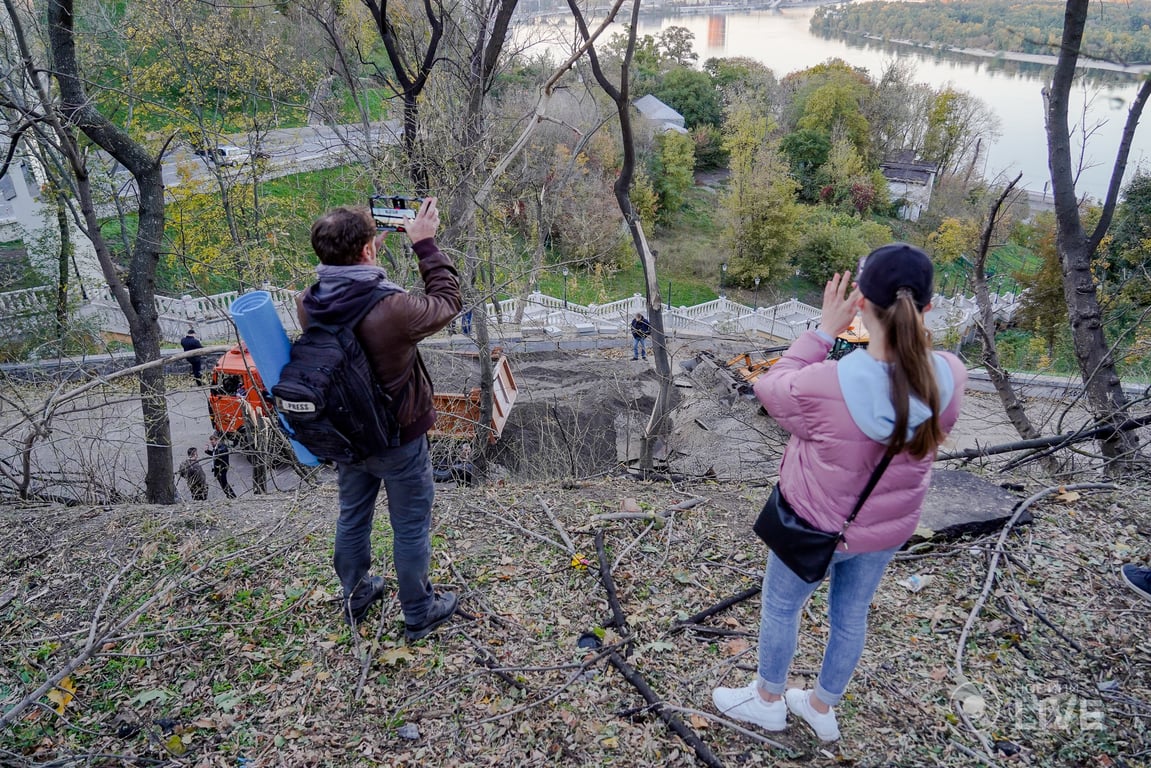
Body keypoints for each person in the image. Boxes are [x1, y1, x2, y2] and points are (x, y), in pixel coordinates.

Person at [711, 244, 966, 742]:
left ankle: (767, 700)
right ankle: (822, 706)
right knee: (850, 616)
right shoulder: (951, 377)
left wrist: (823, 331)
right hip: (885, 531)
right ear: (928, 308)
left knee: (782, 608)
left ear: (860, 307)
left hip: (813, 525)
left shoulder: (827, 384)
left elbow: (770, 386)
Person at [298, 198, 462, 640]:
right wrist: (424, 244)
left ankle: (357, 594)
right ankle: (418, 610)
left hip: (348, 436)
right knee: (409, 525)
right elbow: (447, 301)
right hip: (398, 437)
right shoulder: (393, 308)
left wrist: (363, 250)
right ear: (370, 250)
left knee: (352, 516)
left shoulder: (308, 302)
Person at [206, 432, 237, 499]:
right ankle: (230, 495)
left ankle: (232, 496)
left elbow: (218, 454)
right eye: (211, 442)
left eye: (213, 442)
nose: (212, 444)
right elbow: (214, 454)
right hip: (218, 469)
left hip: (222, 468)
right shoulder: (216, 447)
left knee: (224, 483)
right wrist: (208, 451)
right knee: (223, 484)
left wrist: (214, 450)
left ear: (217, 440)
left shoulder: (222, 448)